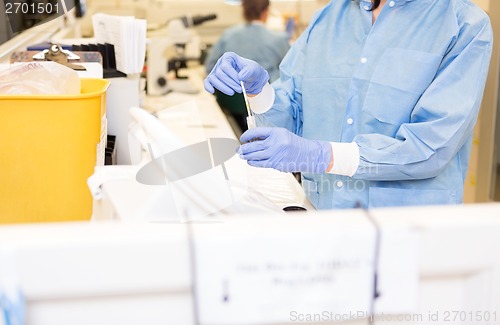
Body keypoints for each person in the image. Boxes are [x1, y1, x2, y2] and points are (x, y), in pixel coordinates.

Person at [204, 0, 493, 210]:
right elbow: (289, 117)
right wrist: (258, 91)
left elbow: (431, 147)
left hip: (410, 231)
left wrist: (322, 155)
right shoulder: (328, 19)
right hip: (323, 218)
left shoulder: (463, 24)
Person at [204, 0, 290, 131]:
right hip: (267, 109)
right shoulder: (279, 39)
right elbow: (289, 76)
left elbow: (210, 67)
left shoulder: (228, 35)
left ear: (243, 11)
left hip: (231, 104)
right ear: (266, 11)